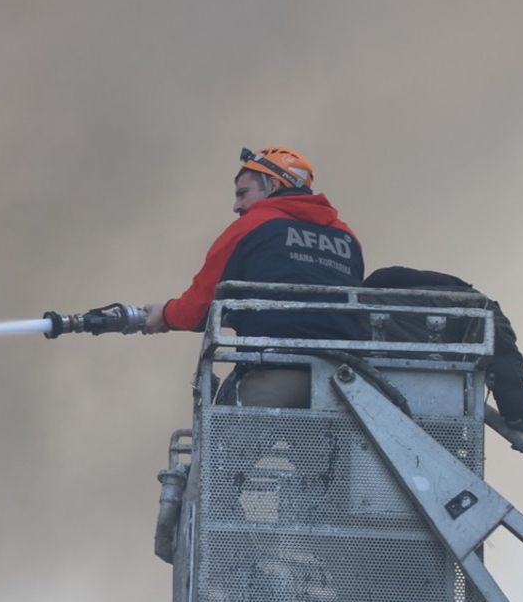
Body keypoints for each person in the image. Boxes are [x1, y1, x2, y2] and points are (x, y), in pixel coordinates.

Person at [141, 146, 364, 407]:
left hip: (276, 374)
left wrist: (165, 314)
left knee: (224, 442)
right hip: (349, 383)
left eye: (242, 194)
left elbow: (197, 307)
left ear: (272, 184)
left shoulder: (253, 225)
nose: (237, 205)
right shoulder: (348, 237)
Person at [362, 266, 523, 440]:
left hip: (367, 407)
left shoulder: (358, 303)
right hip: (440, 411)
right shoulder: (470, 301)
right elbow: (502, 352)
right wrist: (521, 416)